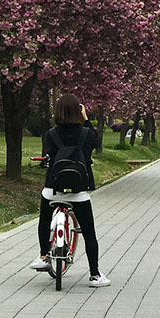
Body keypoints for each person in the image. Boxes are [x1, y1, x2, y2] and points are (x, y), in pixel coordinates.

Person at [29, 93, 110, 287]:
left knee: (44, 220)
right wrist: (87, 120)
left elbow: (47, 158)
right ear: (78, 112)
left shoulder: (51, 134)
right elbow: (96, 145)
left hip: (53, 190)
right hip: (79, 192)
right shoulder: (86, 134)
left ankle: (42, 255)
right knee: (89, 232)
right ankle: (95, 275)